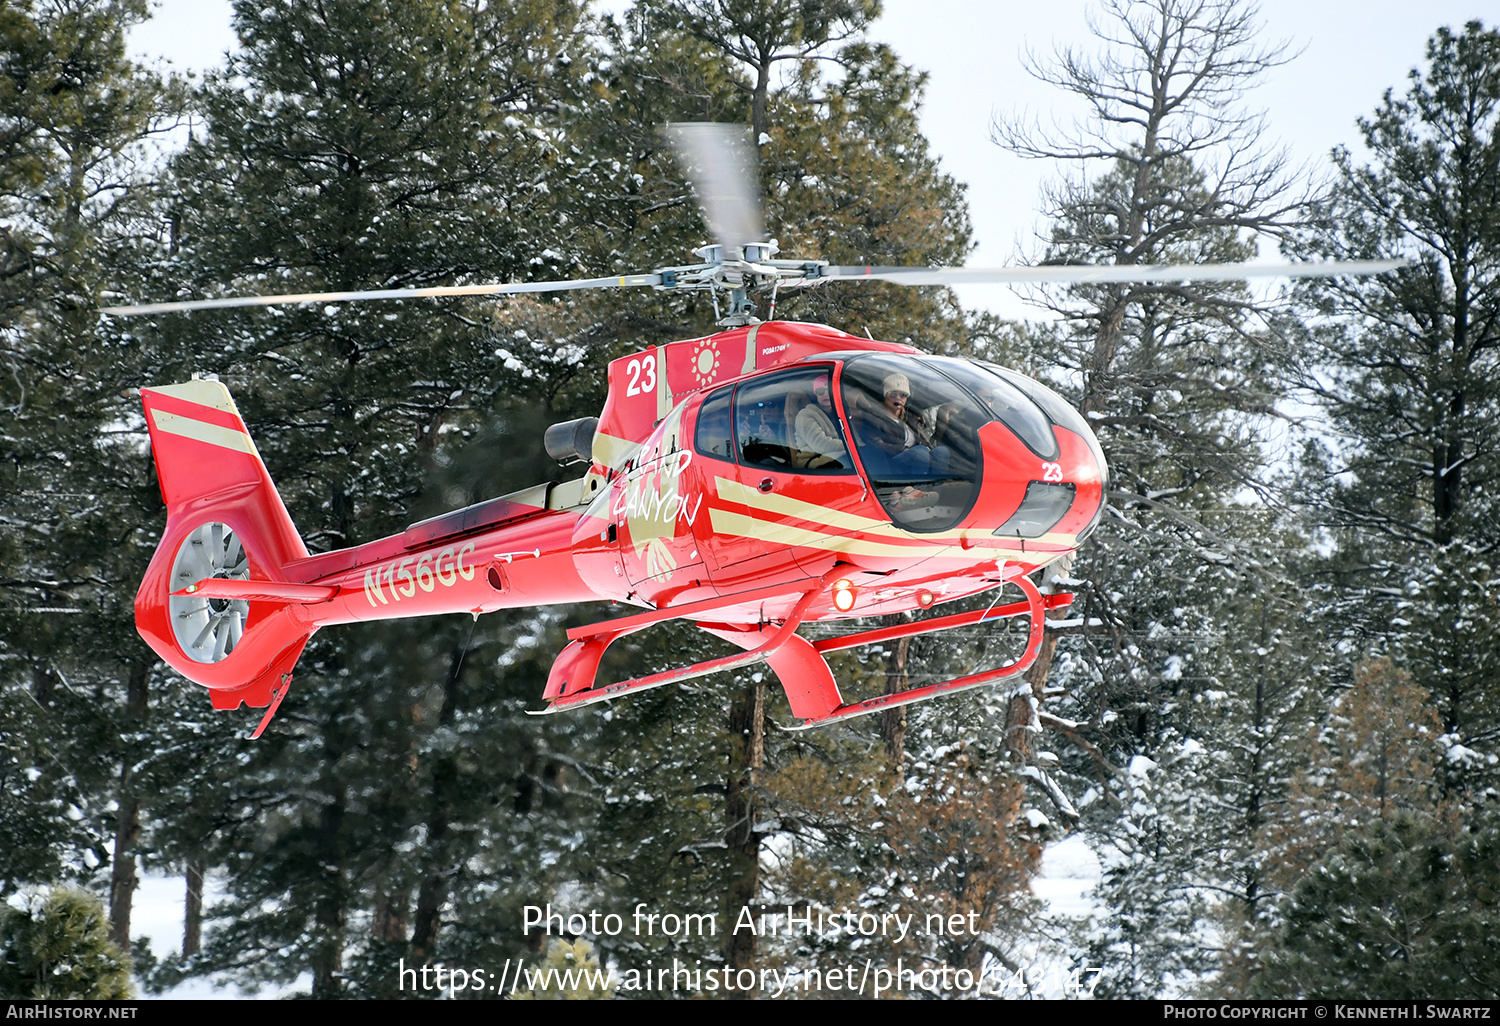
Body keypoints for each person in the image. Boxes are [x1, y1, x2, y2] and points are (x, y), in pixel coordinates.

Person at [850, 371, 950, 480]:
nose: (898, 398)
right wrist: (903, 449)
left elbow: (921, 439)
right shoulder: (872, 417)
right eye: (893, 394)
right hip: (890, 462)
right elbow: (876, 445)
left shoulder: (910, 416)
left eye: (903, 395)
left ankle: (936, 490)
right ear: (885, 395)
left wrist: (927, 448)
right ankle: (917, 491)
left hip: (918, 456)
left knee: (941, 452)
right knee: (919, 453)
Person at [792, 373, 848, 468]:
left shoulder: (841, 412)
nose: (825, 394)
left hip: (837, 456)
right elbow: (820, 445)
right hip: (815, 461)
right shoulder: (805, 415)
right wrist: (851, 445)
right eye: (820, 391)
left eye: (829, 390)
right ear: (815, 394)